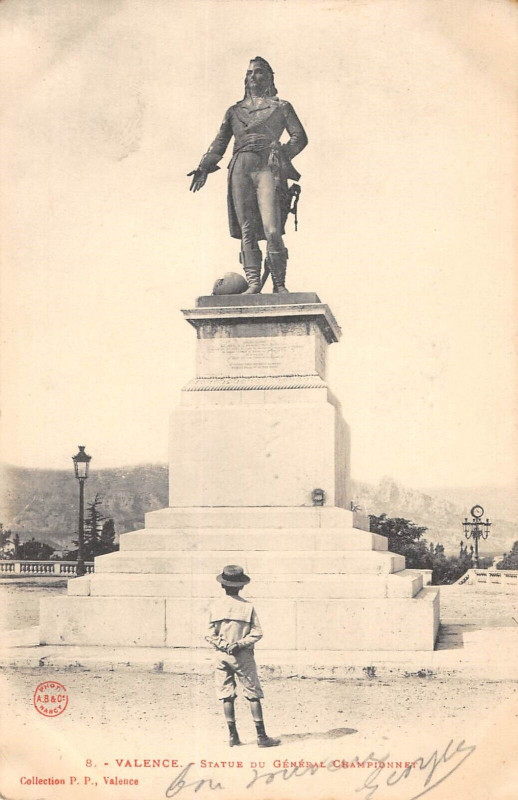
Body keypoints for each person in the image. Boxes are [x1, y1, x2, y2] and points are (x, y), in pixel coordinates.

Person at [188, 57, 308, 294]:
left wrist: (281, 155)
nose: (254, 76)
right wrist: (204, 167)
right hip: (240, 167)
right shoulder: (234, 111)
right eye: (250, 73)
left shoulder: (282, 107)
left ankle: (279, 284)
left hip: (267, 167)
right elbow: (220, 143)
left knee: (272, 228)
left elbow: (299, 137)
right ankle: (253, 283)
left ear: (270, 77)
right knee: (247, 228)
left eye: (260, 72)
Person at [206, 564, 280, 748]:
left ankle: (233, 736)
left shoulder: (215, 606)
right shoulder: (248, 607)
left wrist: (224, 645)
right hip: (242, 656)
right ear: (241, 586)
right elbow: (257, 633)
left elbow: (209, 633)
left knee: (226, 695)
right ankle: (261, 737)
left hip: (221, 655)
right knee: (253, 694)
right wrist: (239, 644)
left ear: (222, 585)